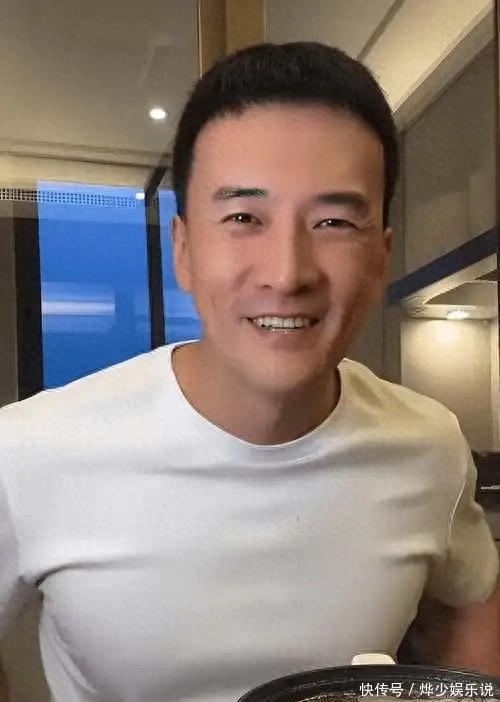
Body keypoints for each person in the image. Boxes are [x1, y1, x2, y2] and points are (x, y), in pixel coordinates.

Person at [0, 42, 498, 702]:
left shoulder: (429, 444)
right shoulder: (28, 450)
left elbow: (472, 602)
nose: (287, 273)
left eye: (333, 221)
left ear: (380, 259)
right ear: (184, 250)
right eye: (242, 218)